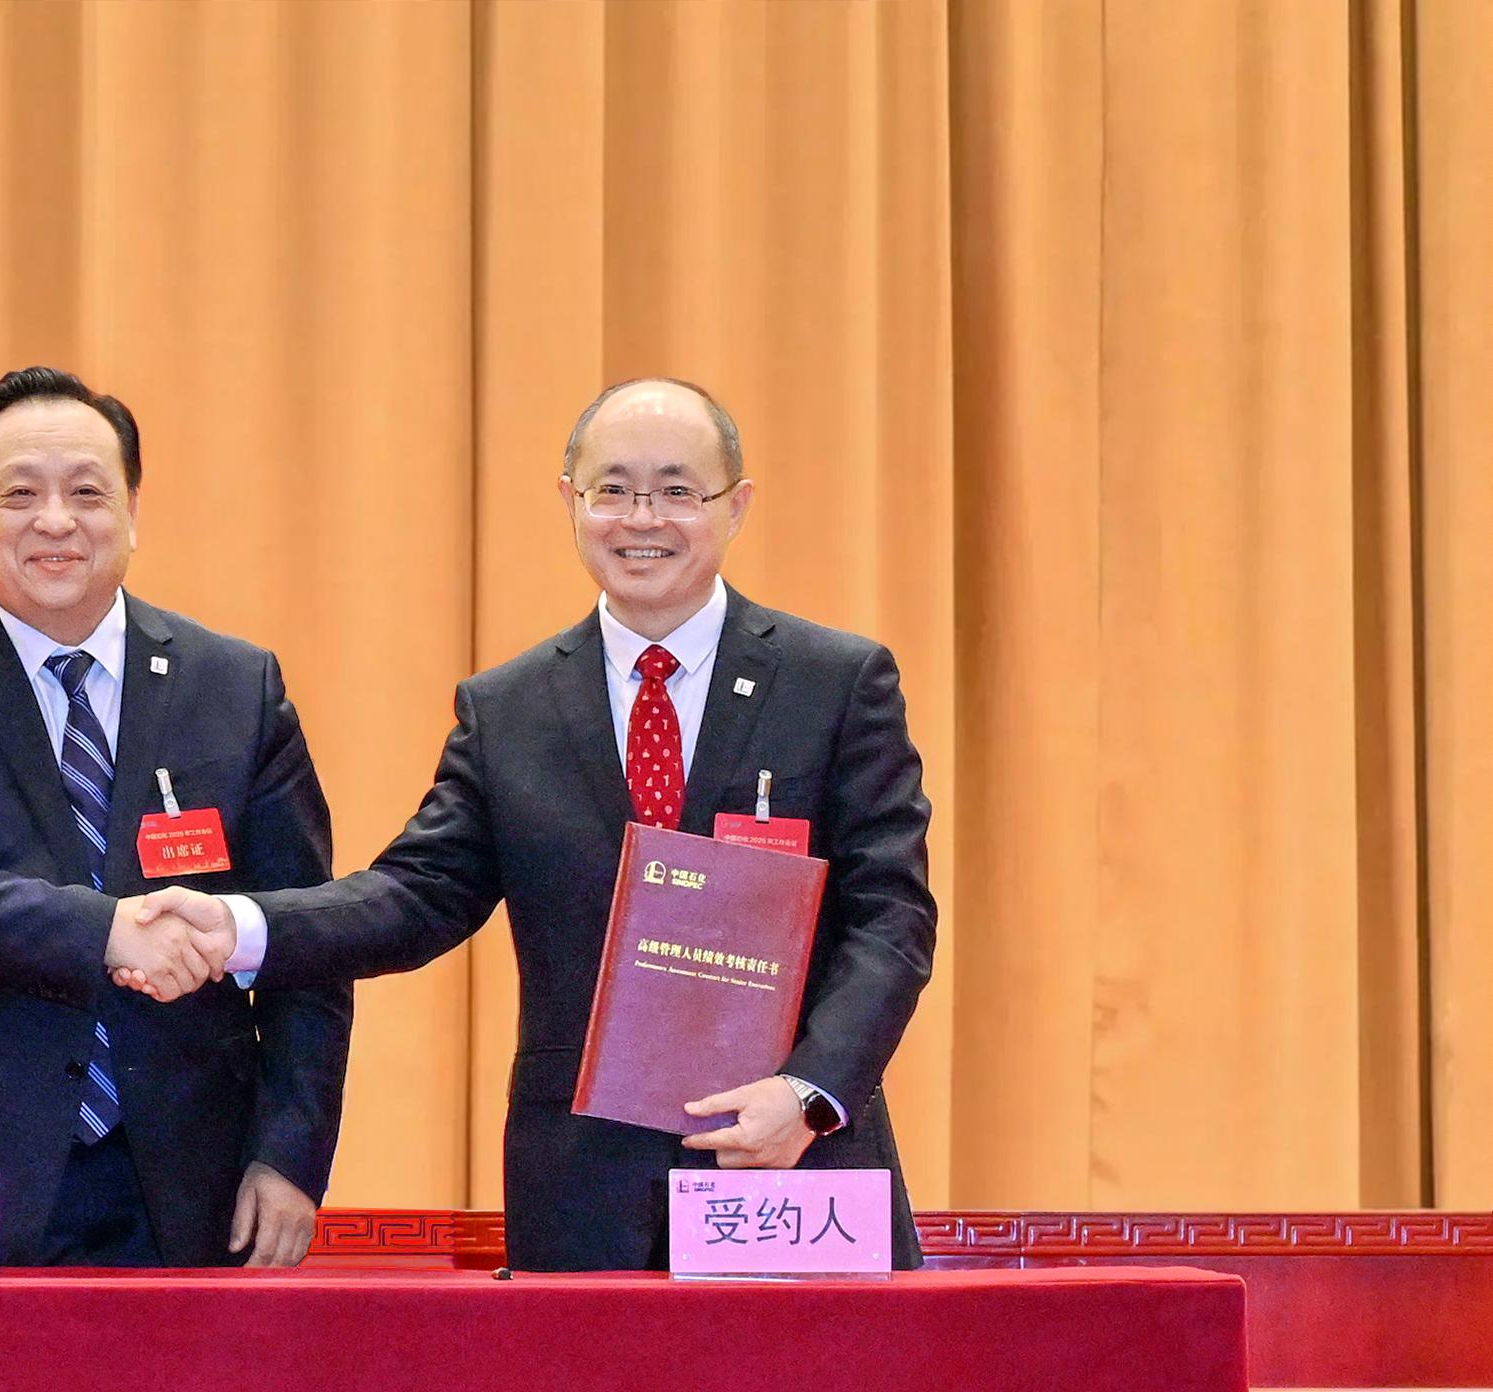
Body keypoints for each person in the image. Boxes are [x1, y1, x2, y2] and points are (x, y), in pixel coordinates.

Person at [121, 378, 934, 1270]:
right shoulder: (510, 710)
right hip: (586, 1191)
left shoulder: (836, 684)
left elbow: (891, 920)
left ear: (735, 506)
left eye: (676, 490)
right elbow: (415, 897)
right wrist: (241, 925)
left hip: (797, 1165)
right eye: (612, 490)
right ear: (570, 501)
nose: (641, 519)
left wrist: (811, 1093)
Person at [0, 366, 351, 1267]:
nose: (55, 521)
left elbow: (304, 938)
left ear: (133, 512)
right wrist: (106, 930)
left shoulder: (236, 686)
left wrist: (291, 1153)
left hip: (194, 1172)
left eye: (86, 492)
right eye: (19, 495)